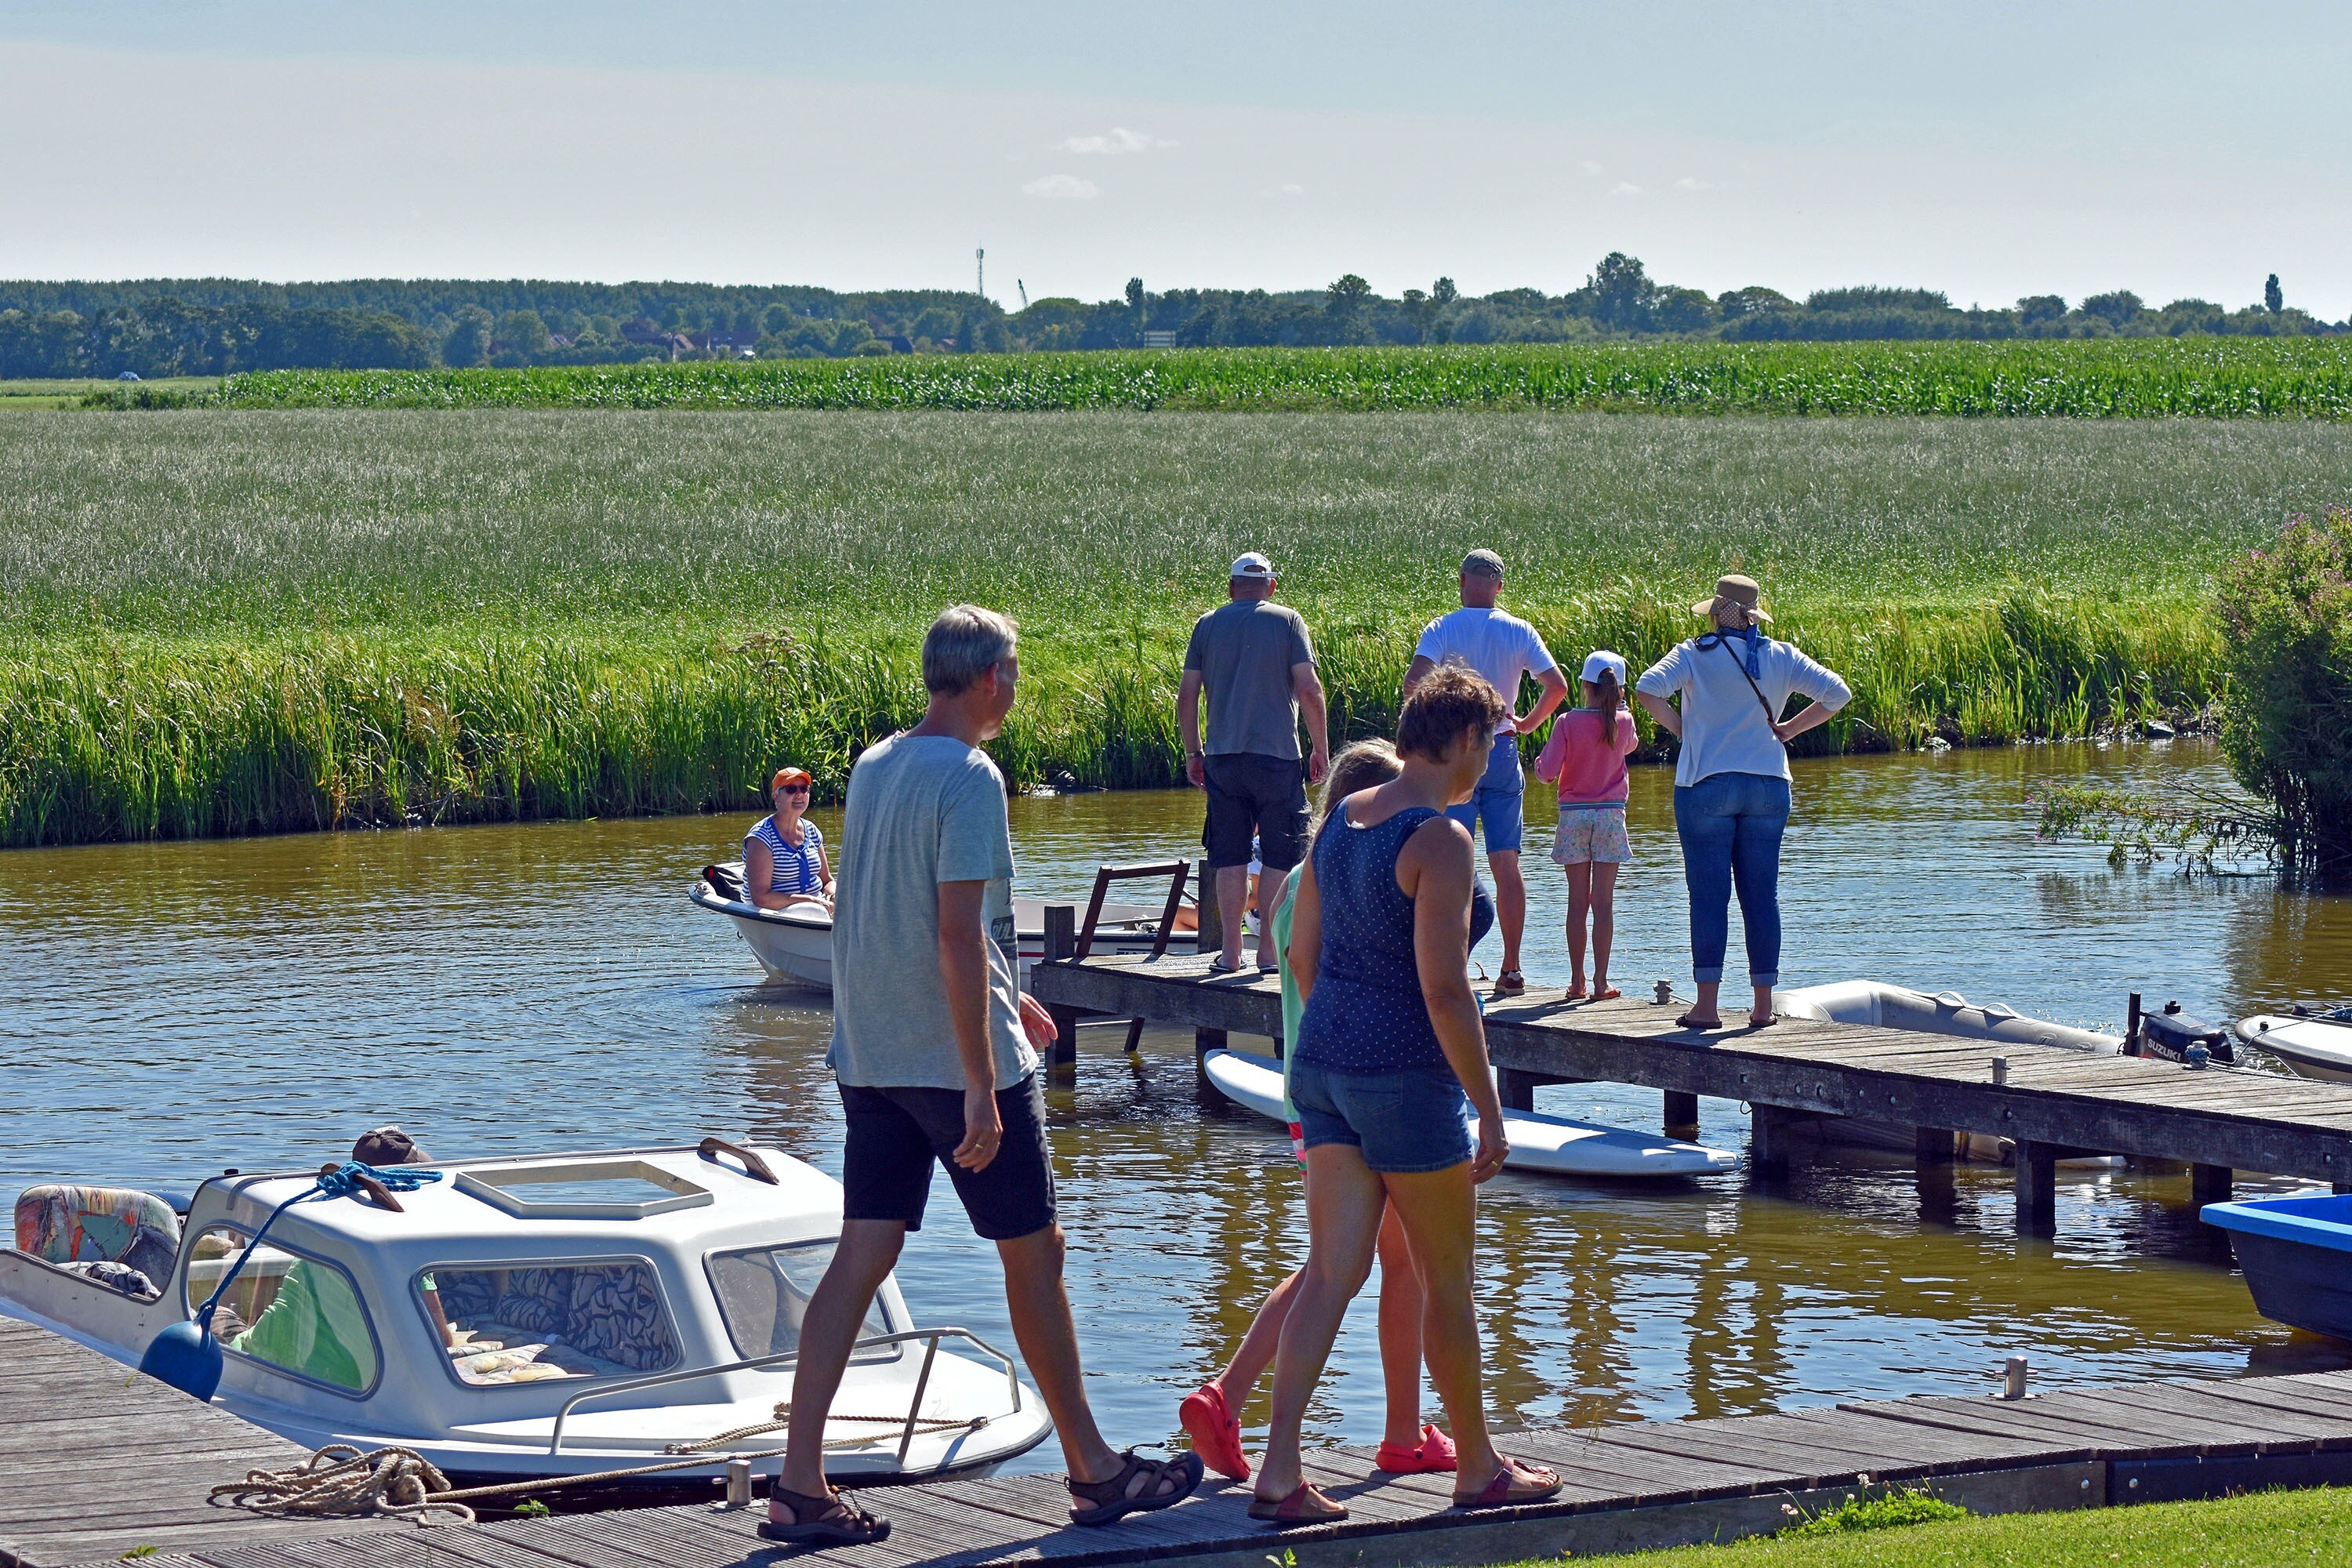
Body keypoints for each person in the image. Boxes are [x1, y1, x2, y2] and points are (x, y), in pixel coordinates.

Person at [766, 605, 1201, 1547]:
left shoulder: (877, 763)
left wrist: (1016, 997)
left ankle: (799, 1481)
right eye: (1016, 666)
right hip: (953, 1063)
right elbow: (955, 933)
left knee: (862, 1252)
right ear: (990, 677)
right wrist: (978, 1076)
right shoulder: (971, 777)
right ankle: (1095, 1471)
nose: (1018, 682)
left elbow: (900, 910)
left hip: (869, 1054)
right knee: (1033, 1255)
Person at [1250, 662, 1561, 1526]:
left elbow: (1302, 956)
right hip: (1406, 1082)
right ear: (1465, 738)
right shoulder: (1441, 840)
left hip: (1322, 1070)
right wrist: (1490, 1108)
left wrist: (1340, 1039)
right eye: (1494, 741)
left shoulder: (1341, 824)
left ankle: (1278, 1470)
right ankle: (1479, 1466)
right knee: (1446, 1278)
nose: (1494, 758)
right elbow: (1444, 990)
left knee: (1331, 1272)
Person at [1177, 741, 1457, 1483]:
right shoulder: (1360, 875)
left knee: (1342, 1265)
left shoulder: (1300, 876)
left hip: (1310, 1090)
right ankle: (1391, 1431)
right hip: (1368, 1083)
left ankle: (1234, 1397)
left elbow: (1298, 966)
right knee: (1389, 1267)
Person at [1634, 575, 1850, 1031]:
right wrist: (1789, 729)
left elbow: (1647, 688)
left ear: (1716, 612)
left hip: (1705, 785)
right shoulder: (1781, 654)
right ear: (1754, 614)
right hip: (1770, 786)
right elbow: (1838, 694)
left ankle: (1707, 1008)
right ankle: (1761, 1007)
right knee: (1761, 895)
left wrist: (1683, 729)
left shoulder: (1694, 653)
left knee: (1708, 897)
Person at [1403, 549, 1569, 996]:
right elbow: (1557, 687)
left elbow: (1413, 684)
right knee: (1506, 862)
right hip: (1501, 748)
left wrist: (1437, 726)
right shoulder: (1519, 629)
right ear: (1498, 585)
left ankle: (1450, 963)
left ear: (1461, 582)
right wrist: (1526, 723)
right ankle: (1511, 968)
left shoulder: (1442, 627)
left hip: (1456, 753)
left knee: (1450, 863)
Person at [1178, 552, 1330, 975]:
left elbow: (1187, 695)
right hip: (1278, 757)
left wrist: (1194, 752)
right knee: (1280, 855)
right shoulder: (1288, 621)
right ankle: (1266, 953)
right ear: (1271, 586)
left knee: (1229, 856)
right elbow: (1310, 689)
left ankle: (1230, 954)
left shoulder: (1207, 625)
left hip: (1223, 759)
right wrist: (1320, 747)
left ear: (1231, 588)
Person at [1533, 651, 1640, 1001]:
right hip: (1610, 817)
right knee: (1604, 904)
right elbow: (1631, 746)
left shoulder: (1567, 722)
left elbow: (1547, 774)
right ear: (1620, 689)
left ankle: (1576, 982)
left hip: (1574, 817)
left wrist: (1537, 765)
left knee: (1577, 902)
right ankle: (1600, 982)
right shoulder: (1624, 721)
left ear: (1584, 685)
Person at [744, 767, 833, 910]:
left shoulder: (812, 830)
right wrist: (810, 901)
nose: (799, 794)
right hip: (776, 912)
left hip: (816, 907)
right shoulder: (761, 837)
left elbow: (827, 880)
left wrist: (832, 894)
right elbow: (761, 898)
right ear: (775, 796)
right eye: (791, 789)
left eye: (804, 789)